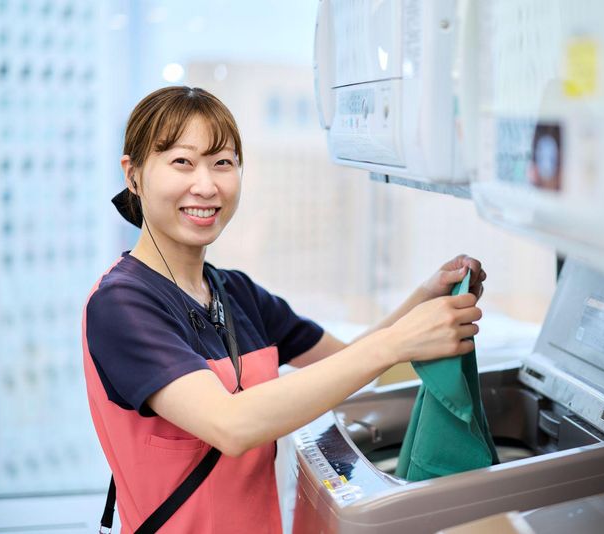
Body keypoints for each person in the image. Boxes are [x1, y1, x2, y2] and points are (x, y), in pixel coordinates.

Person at [82, 86, 486, 533]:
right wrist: (398, 341)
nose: (207, 184)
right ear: (133, 175)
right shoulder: (121, 304)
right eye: (182, 162)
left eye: (223, 163)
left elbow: (350, 364)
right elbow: (230, 425)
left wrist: (425, 297)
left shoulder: (235, 292)